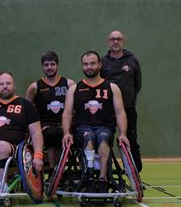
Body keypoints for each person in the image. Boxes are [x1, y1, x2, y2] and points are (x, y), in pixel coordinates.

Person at [62, 51, 130, 193]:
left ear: (100, 64)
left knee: (103, 137)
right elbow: (67, 114)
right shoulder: (74, 89)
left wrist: (123, 134)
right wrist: (66, 133)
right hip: (82, 128)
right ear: (82, 66)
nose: (89, 67)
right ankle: (90, 177)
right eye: (86, 64)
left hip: (105, 127)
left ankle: (103, 178)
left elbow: (120, 112)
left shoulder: (112, 88)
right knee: (89, 136)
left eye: (92, 63)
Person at [25, 51, 75, 177]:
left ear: (57, 65)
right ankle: (54, 170)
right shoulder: (35, 87)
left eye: (52, 64)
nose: (49, 67)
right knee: (52, 135)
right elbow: (26, 110)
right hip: (45, 125)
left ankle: (59, 169)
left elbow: (77, 107)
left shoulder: (69, 84)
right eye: (46, 65)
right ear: (42, 67)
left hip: (65, 124)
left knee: (61, 134)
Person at [101, 30, 143, 172]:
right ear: (108, 41)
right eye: (113, 39)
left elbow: (137, 84)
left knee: (130, 139)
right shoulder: (103, 62)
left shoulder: (132, 60)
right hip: (107, 110)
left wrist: (128, 98)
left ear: (123, 40)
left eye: (118, 39)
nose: (116, 41)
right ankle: (105, 173)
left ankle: (135, 174)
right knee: (105, 139)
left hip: (128, 108)